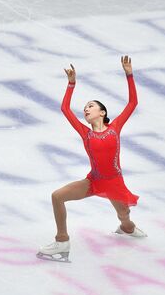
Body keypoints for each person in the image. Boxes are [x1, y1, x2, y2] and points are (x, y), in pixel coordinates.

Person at [37, 55, 146, 263]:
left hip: (115, 182)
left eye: (91, 106)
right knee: (57, 196)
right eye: (85, 107)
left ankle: (126, 228)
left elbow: (133, 102)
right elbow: (65, 110)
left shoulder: (115, 128)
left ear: (102, 112)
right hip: (93, 181)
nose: (86, 109)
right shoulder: (85, 133)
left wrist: (129, 74)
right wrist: (71, 84)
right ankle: (62, 241)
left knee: (125, 219)